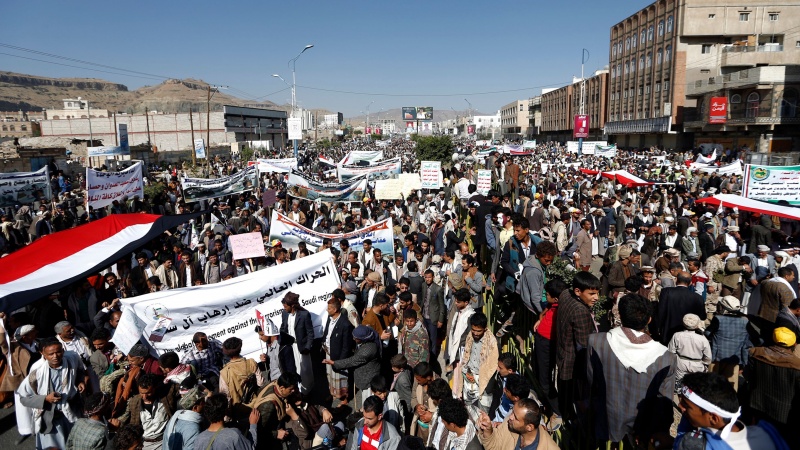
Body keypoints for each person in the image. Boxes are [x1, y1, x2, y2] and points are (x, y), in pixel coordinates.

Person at [586, 294, 676, 444]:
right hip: (641, 429)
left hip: (604, 420)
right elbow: (664, 403)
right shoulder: (666, 357)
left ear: (620, 315)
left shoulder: (596, 341)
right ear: (649, 320)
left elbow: (591, 381)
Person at [675, 372, 790, 450]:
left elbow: (679, 442)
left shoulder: (694, 444)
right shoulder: (768, 431)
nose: (680, 406)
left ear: (714, 418)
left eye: (686, 406)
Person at [18, 337, 86, 450]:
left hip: (72, 412)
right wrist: (45, 399)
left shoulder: (71, 359)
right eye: (51, 354)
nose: (55, 356)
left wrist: (80, 381)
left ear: (63, 351)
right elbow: (23, 398)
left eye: (58, 352)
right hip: (51, 420)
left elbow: (80, 370)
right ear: (43, 354)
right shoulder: (37, 372)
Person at [554, 271, 599, 421]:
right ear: (578, 291)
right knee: (573, 397)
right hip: (573, 363)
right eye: (592, 294)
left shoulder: (566, 294)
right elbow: (585, 344)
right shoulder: (581, 311)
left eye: (597, 293)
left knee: (564, 392)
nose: (596, 298)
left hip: (562, 352)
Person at [746, 327, 800, 446]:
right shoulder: (797, 365)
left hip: (758, 404)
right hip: (783, 413)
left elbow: (749, 376)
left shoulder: (755, 353)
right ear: (793, 343)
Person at [323, 325, 382, 410]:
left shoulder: (368, 350)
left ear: (363, 339)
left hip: (368, 379)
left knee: (369, 400)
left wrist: (334, 363)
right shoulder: (368, 337)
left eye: (356, 338)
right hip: (366, 374)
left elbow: (352, 361)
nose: (354, 339)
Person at [0, 323, 40, 443]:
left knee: (40, 405)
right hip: (23, 382)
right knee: (24, 408)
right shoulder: (12, 347)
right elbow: (2, 341)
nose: (36, 332)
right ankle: (27, 430)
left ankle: (40, 427)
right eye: (33, 331)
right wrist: (1, 322)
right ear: (25, 336)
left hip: (39, 380)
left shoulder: (37, 343)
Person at [119, 373, 177, 450]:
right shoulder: (134, 402)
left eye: (148, 393)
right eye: (141, 393)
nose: (145, 397)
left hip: (165, 440)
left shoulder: (165, 397)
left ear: (155, 388)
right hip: (145, 444)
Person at [476, 397, 558, 450]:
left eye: (516, 417)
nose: (510, 417)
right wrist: (488, 429)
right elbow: (494, 446)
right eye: (512, 412)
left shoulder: (549, 447)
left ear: (529, 427)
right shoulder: (510, 424)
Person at [457, 312, 498, 415]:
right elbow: (466, 357)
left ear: (485, 328)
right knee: (468, 409)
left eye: (478, 331)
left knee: (483, 412)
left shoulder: (492, 343)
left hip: (484, 381)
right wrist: (467, 373)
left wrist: (484, 385)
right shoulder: (470, 336)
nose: (475, 333)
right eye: (473, 330)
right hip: (469, 377)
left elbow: (492, 367)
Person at [249, 372, 297, 450]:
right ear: (281, 388)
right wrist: (277, 433)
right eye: (290, 389)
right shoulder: (269, 406)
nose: (293, 391)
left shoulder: (275, 384)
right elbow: (259, 431)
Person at [657, 271, 707, 345]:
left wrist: (659, 328)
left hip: (668, 332)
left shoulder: (666, 292)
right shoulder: (698, 298)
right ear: (690, 283)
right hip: (687, 336)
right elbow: (702, 316)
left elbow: (660, 312)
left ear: (676, 280)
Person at [194, 393, 259, 450]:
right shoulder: (233, 436)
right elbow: (251, 448)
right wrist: (253, 425)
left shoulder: (199, 439)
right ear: (225, 411)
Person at [280, 292, 315, 394]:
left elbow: (310, 333)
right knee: (292, 368)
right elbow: (283, 328)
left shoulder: (304, 315)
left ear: (292, 306)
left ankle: (307, 391)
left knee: (304, 370)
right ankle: (295, 389)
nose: (284, 308)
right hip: (290, 347)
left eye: (286, 306)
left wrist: (307, 347)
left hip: (302, 348)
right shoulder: (284, 314)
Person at [323, 297, 354, 404]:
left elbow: (346, 346)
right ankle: (335, 394)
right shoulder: (329, 318)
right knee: (331, 376)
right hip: (329, 353)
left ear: (335, 310)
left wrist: (340, 362)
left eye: (329, 308)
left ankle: (344, 398)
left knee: (341, 378)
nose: (327, 310)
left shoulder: (345, 324)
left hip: (339, 357)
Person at [669, 314, 712, 390]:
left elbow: (671, 351)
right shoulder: (702, 339)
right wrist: (704, 364)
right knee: (695, 387)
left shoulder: (677, 335)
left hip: (681, 363)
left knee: (679, 386)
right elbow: (708, 357)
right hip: (697, 365)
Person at [219, 337, 263, 406]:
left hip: (238, 410)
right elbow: (261, 383)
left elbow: (226, 397)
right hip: (256, 405)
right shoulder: (251, 363)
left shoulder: (224, 372)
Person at [419, 269, 445, 356]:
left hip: (433, 317)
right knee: (425, 337)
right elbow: (423, 299)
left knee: (433, 339)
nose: (427, 279)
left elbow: (442, 305)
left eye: (429, 277)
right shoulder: (423, 285)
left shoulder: (438, 289)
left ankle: (433, 357)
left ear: (433, 277)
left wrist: (440, 320)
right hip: (424, 315)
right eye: (426, 277)